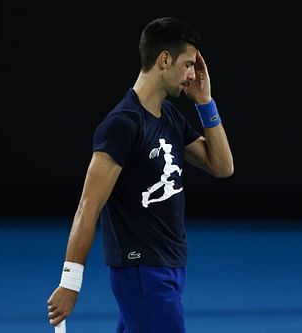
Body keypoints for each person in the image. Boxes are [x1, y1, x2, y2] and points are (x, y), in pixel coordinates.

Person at [47, 16, 234, 333]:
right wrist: (70, 281)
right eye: (188, 64)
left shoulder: (170, 116)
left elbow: (222, 166)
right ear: (164, 59)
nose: (192, 75)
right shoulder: (123, 125)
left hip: (169, 266)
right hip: (142, 271)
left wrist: (205, 102)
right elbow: (88, 206)